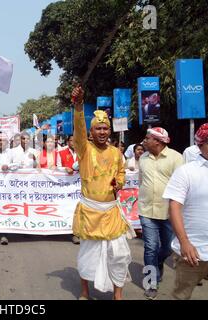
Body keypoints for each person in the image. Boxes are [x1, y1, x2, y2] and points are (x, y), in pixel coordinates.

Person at [71, 85, 133, 300]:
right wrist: (78, 107)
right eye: (98, 128)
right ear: (91, 131)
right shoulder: (84, 149)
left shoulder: (116, 152)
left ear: (110, 131)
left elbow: (122, 172)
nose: (102, 132)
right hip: (91, 211)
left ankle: (118, 294)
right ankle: (85, 291)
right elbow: (78, 131)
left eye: (105, 128)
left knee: (120, 254)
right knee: (89, 256)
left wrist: (120, 183)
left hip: (112, 211)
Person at [162, 123, 208, 300]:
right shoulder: (186, 172)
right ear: (199, 146)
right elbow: (174, 206)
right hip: (192, 254)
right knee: (180, 296)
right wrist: (184, 243)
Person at [138, 127, 184, 299]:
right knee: (150, 247)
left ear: (157, 141)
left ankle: (157, 263)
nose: (144, 141)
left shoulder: (176, 158)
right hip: (146, 210)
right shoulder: (142, 158)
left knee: (168, 247)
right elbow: (141, 181)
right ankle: (151, 282)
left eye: (147, 138)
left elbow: (182, 186)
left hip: (169, 212)